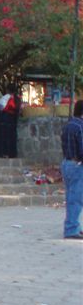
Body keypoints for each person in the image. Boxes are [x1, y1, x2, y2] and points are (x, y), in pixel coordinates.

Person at [61, 99, 83, 240]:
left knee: (71, 197)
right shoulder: (81, 127)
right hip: (77, 164)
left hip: (67, 163)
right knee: (76, 198)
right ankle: (71, 229)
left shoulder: (68, 125)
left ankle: (74, 226)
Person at [0, 85, 21, 158]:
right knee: (11, 136)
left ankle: (2, 153)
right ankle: (12, 154)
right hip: (13, 119)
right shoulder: (17, 99)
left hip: (4, 118)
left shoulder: (5, 97)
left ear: (8, 90)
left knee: (3, 136)